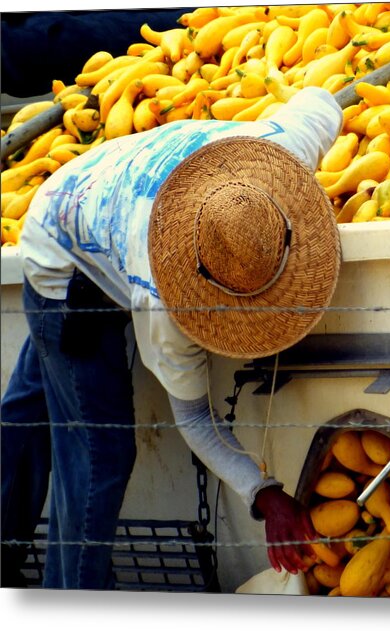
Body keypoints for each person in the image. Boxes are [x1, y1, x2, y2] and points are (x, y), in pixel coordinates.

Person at [1, 86, 343, 590]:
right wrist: (265, 493)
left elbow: (321, 99)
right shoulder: (161, 300)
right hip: (63, 255)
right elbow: (195, 419)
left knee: (29, 415)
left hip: (105, 189)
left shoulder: (282, 151)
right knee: (99, 453)